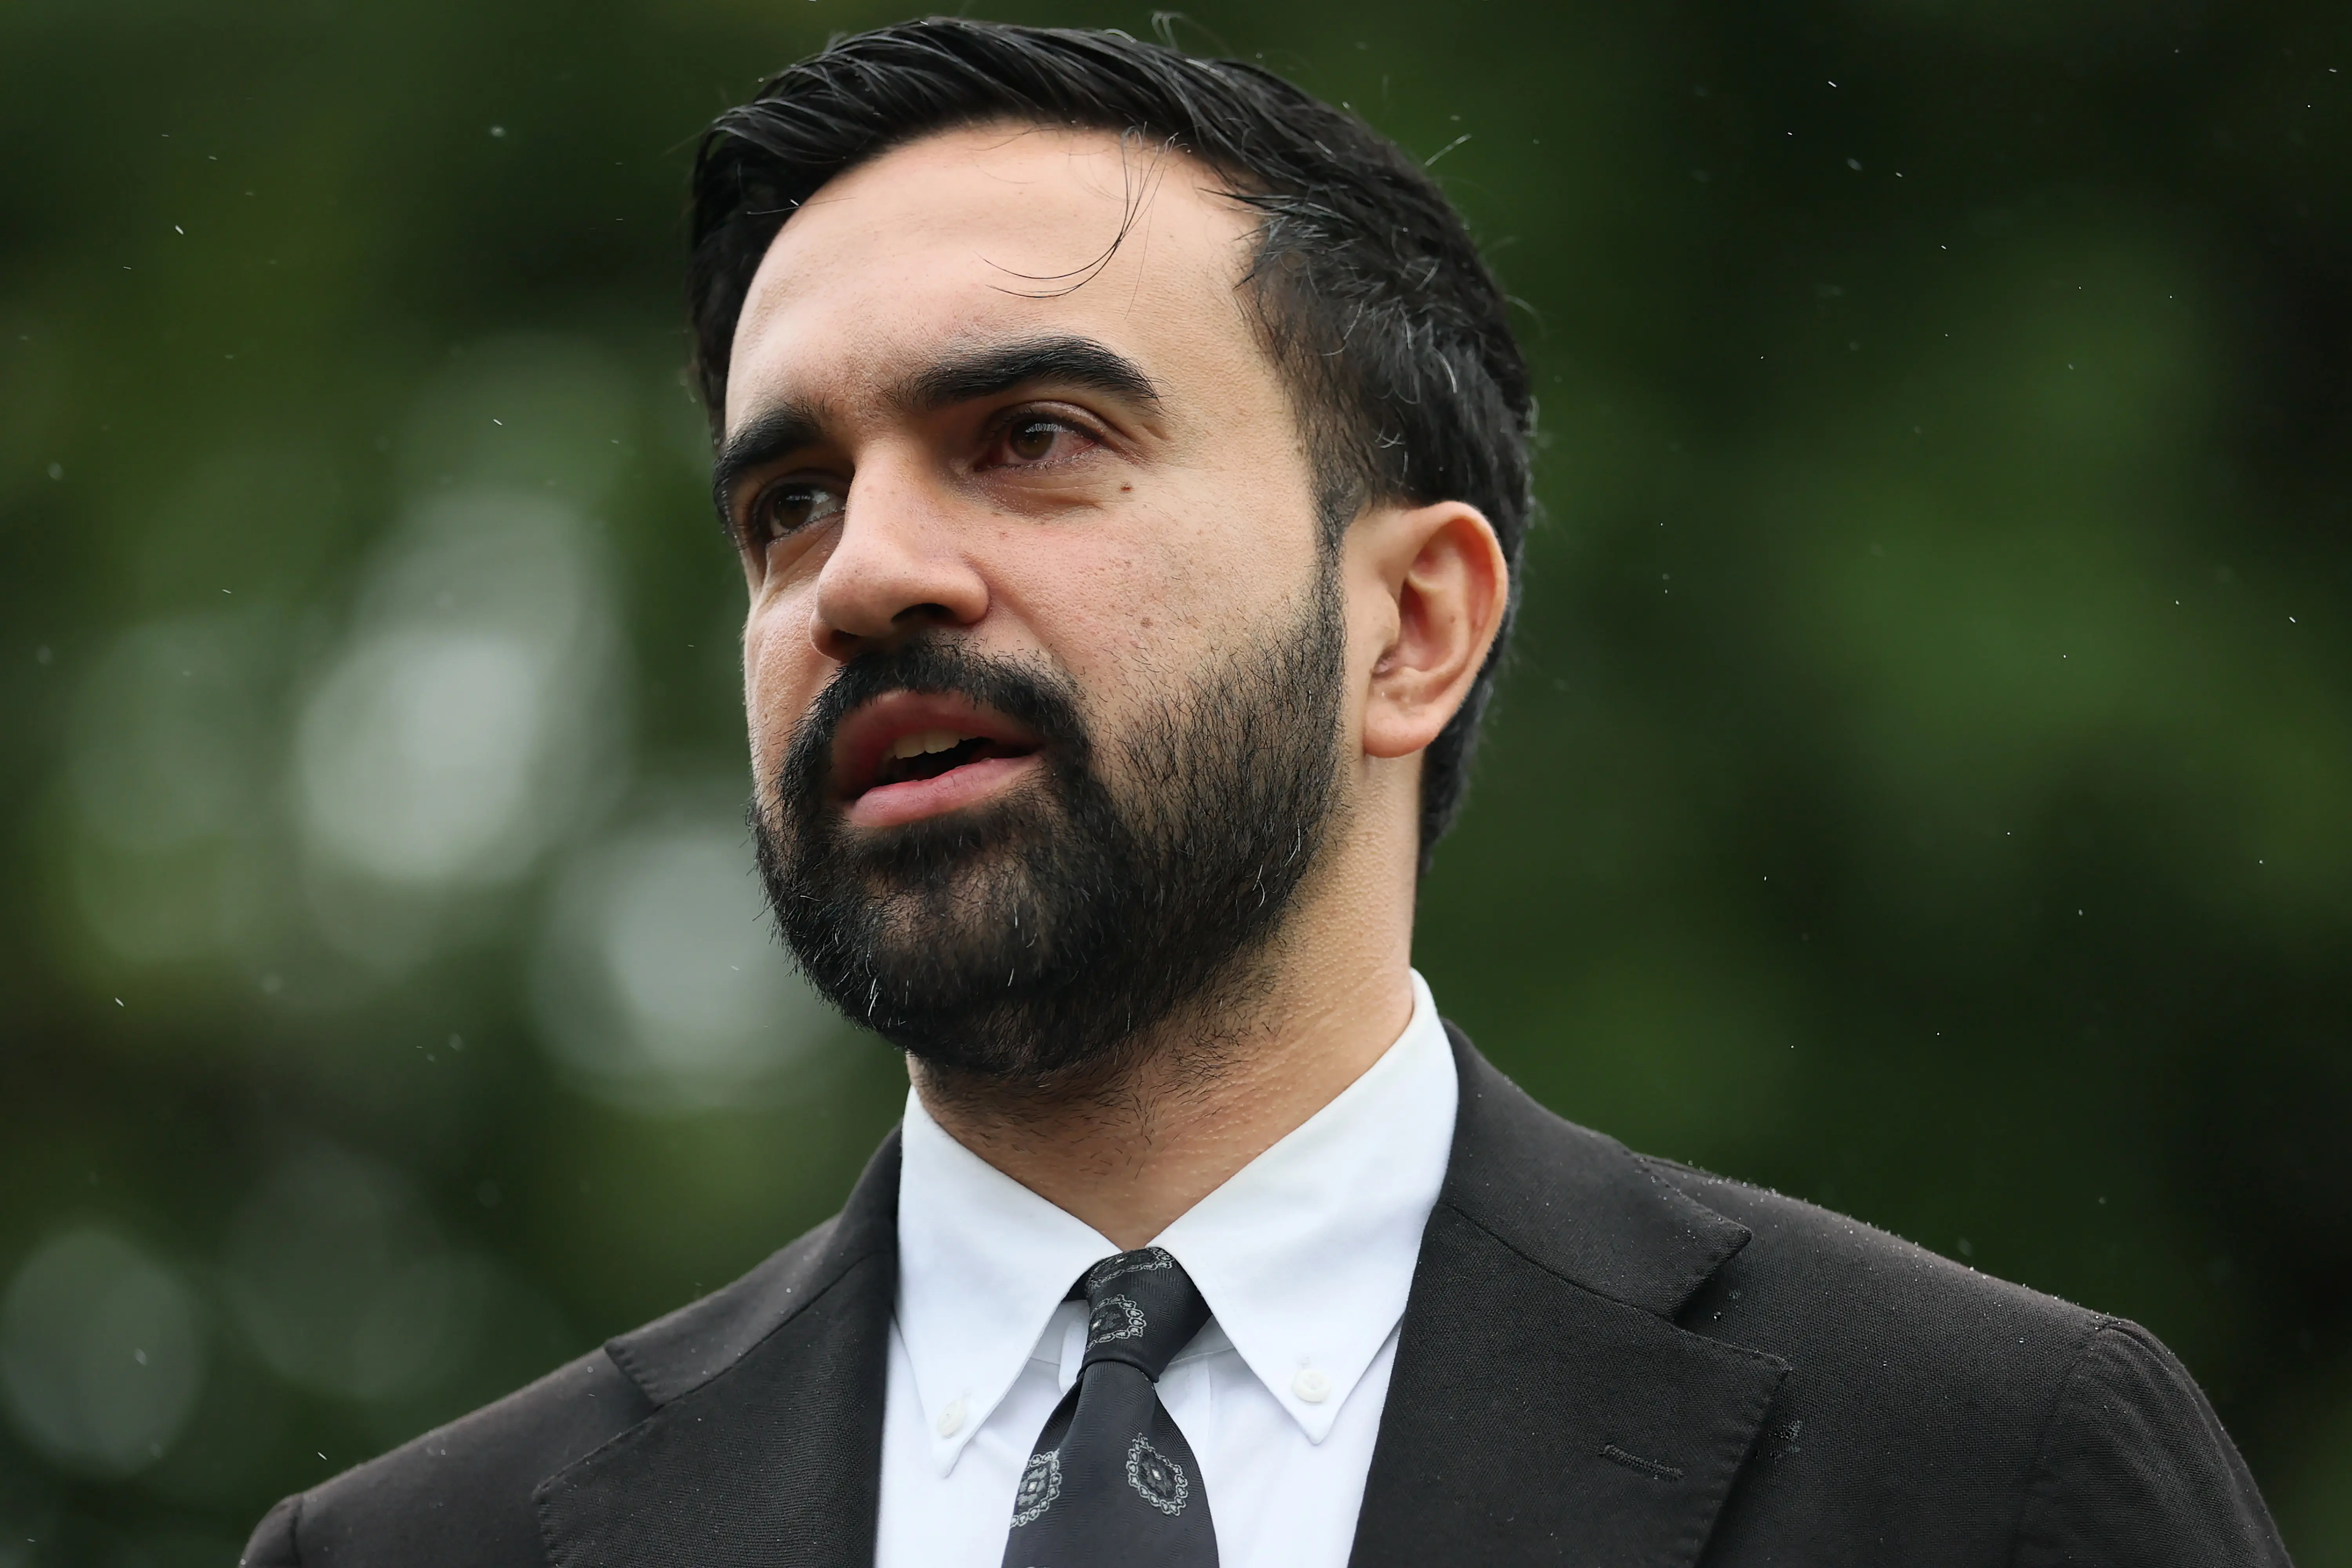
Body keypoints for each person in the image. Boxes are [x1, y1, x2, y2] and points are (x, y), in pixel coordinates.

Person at [241, 19, 2289, 1568]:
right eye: (791, 502)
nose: (863, 571)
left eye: (1030, 435)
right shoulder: (428, 1551)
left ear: (1415, 625)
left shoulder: (1983, 1473)